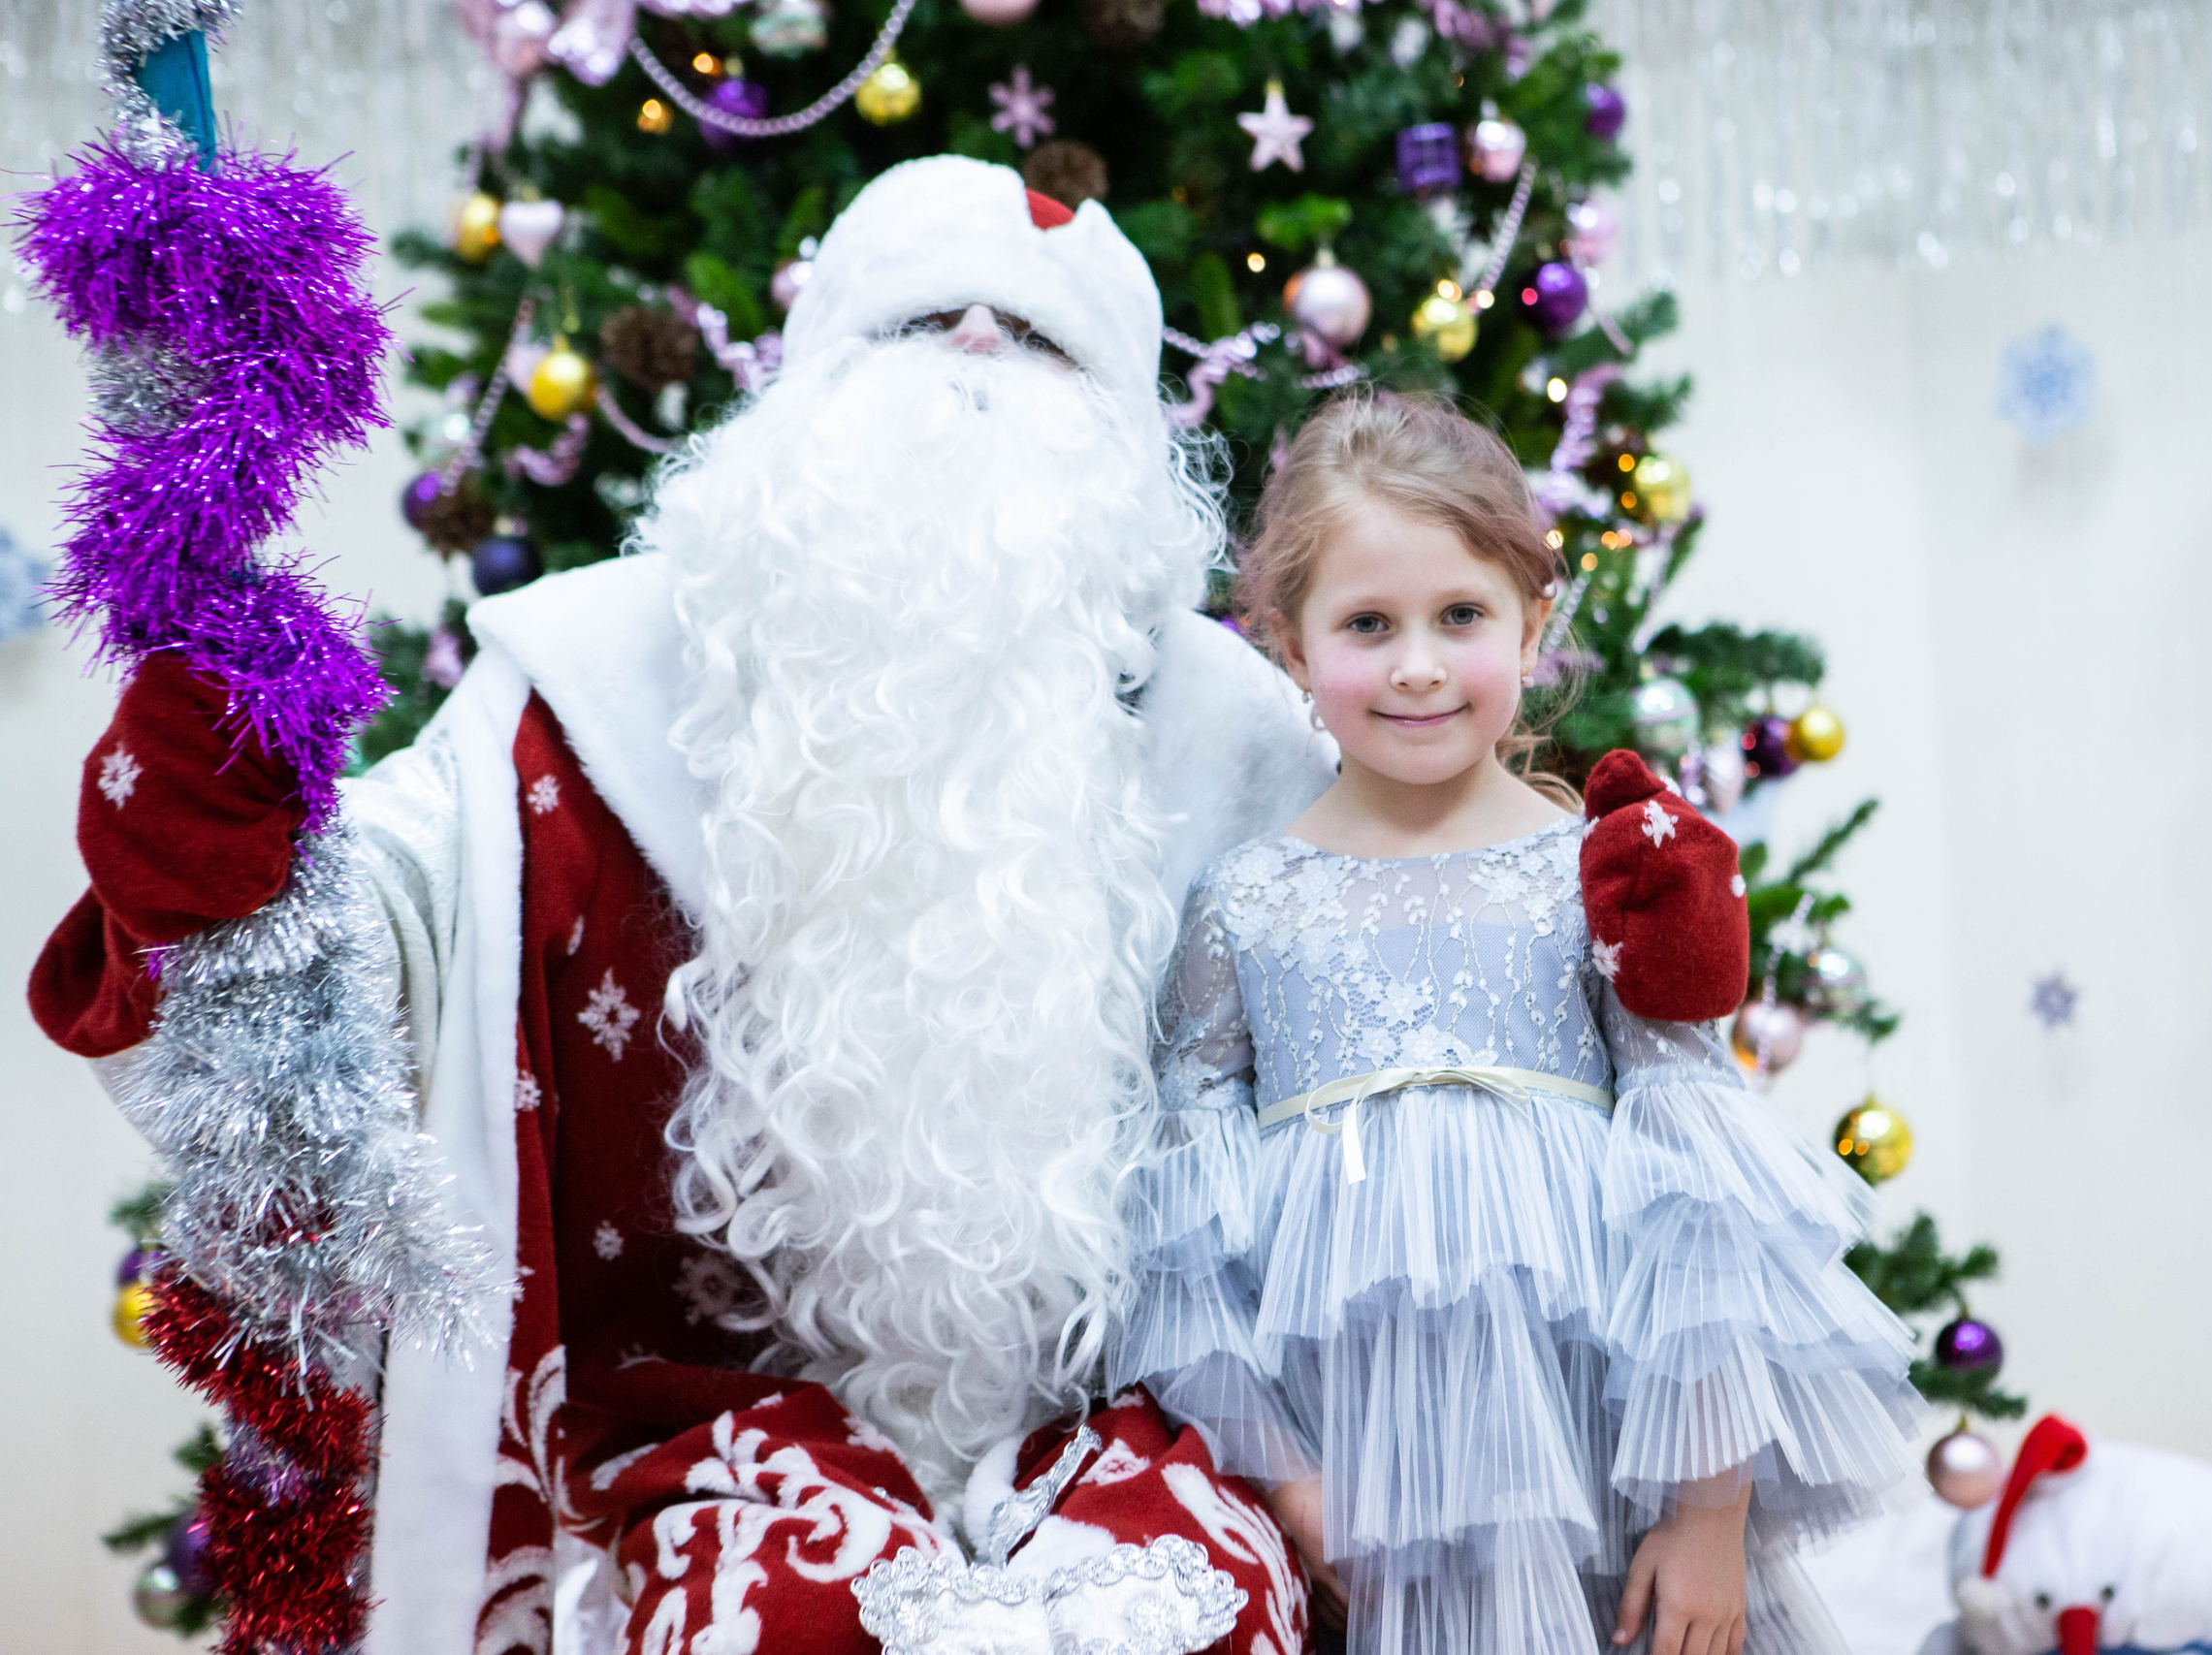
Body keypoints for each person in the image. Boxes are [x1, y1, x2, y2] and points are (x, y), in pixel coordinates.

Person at [31, 157, 1331, 1655]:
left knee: (1205, 1613)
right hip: (699, 1437)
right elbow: (379, 947)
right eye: (921, 322)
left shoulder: (1237, 741)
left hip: (1132, 1425)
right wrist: (227, 811)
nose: (977, 354)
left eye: (1039, 342)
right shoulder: (590, 687)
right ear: (809, 390)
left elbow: (1412, 1014)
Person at [1109, 391, 1924, 1655]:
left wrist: (1709, 1510)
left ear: (1533, 623)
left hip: (1597, 1446)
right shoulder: (1244, 903)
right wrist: (1285, 1477)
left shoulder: (1597, 872)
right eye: (1368, 625)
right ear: (1287, 643)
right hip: (1359, 1457)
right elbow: (1184, 1231)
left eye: (1461, 617)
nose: (1419, 665)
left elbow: (1701, 1198)